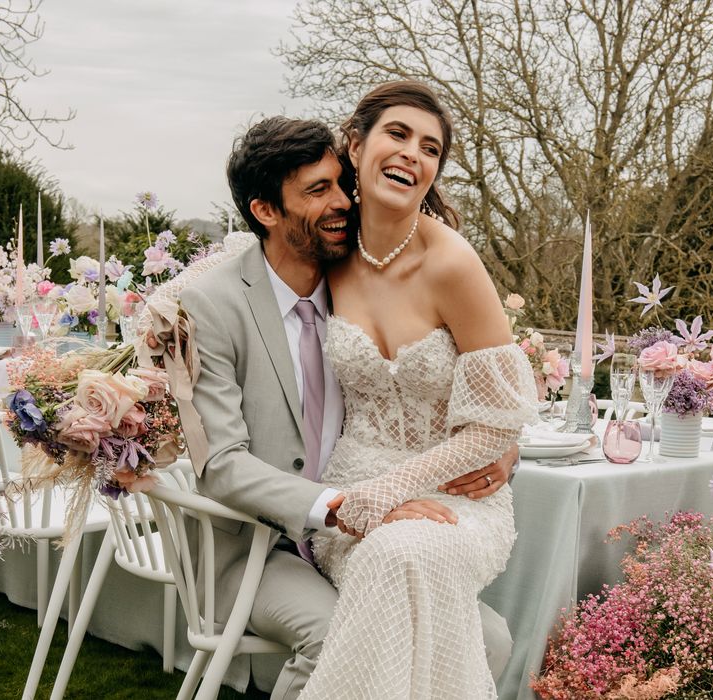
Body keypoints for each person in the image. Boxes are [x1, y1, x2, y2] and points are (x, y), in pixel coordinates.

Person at [174, 115, 521, 699]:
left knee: (490, 638)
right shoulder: (213, 302)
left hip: (366, 535)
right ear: (266, 212)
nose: (342, 202)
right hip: (259, 547)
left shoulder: (357, 268)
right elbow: (221, 464)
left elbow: (456, 386)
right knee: (345, 634)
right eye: (317, 191)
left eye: (340, 183)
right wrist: (342, 507)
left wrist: (505, 447)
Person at [298, 82, 538, 699]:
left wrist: (386, 493)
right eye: (398, 135)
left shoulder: (452, 265)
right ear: (355, 146)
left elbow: (494, 427)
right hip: (350, 491)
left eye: (429, 148)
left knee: (406, 555)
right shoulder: (326, 251)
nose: (412, 154)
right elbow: (237, 275)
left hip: (454, 495)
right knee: (396, 564)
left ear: (434, 172)